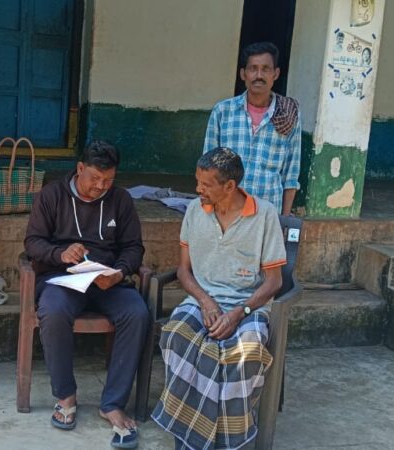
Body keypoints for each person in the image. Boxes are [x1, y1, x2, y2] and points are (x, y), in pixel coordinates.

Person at [151, 147, 286, 450]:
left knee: (245, 354)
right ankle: (194, 435)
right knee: (175, 337)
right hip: (201, 301)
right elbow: (184, 272)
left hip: (248, 306)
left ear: (230, 186)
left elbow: (274, 280)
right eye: (197, 181)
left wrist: (239, 311)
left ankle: (219, 441)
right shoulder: (194, 211)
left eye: (206, 184)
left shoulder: (264, 214)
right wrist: (206, 301)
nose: (198, 189)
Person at [24, 141, 149, 449]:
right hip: (62, 277)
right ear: (80, 168)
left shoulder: (119, 199)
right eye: (94, 177)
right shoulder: (52, 195)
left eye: (108, 180)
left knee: (137, 313)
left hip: (107, 280)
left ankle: (113, 404)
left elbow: (134, 247)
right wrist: (59, 253)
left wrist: (119, 272)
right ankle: (65, 396)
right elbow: (32, 242)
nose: (100, 186)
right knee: (53, 310)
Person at [204, 41, 301, 215]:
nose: (259, 75)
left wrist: (284, 220)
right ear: (243, 74)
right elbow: (208, 169)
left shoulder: (288, 114)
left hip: (267, 213)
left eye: (265, 69)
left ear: (276, 74)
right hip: (227, 210)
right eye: (253, 69)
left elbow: (291, 175)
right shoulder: (223, 111)